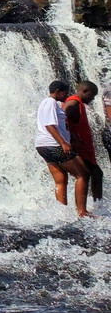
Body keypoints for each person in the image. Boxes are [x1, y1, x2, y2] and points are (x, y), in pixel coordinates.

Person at [35, 79, 92, 218]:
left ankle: (62, 214)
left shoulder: (47, 104)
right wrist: (63, 143)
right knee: (83, 174)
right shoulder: (50, 103)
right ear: (57, 92)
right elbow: (49, 125)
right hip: (53, 144)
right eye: (65, 93)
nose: (66, 97)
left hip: (43, 146)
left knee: (60, 179)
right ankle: (82, 212)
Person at [64, 81, 102, 205]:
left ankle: (95, 204)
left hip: (84, 149)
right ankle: (90, 207)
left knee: (94, 174)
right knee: (90, 174)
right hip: (79, 149)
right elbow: (63, 114)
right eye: (92, 95)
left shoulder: (79, 104)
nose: (93, 98)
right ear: (84, 91)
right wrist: (73, 138)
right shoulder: (74, 102)